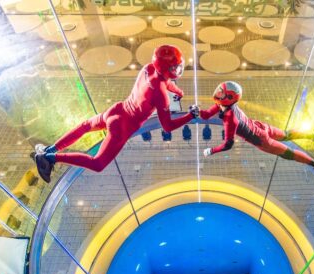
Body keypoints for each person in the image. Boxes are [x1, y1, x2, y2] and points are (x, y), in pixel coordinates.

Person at [33, 45, 200, 182]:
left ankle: (50, 148)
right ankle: (50, 158)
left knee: (85, 126)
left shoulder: (148, 69)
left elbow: (165, 82)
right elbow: (168, 126)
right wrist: (190, 116)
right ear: (167, 68)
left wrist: (179, 91)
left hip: (116, 110)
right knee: (97, 163)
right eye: (175, 67)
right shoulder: (161, 96)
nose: (178, 69)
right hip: (122, 128)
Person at [198, 81, 314, 176]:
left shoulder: (230, 118)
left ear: (229, 98)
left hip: (261, 140)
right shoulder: (223, 104)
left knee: (288, 153)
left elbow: (228, 144)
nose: (218, 93)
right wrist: (197, 111)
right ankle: (312, 135)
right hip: (260, 126)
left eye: (222, 92)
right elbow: (206, 114)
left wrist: (211, 150)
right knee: (286, 135)